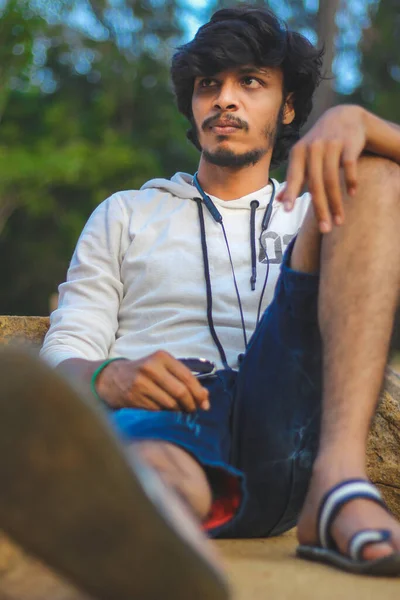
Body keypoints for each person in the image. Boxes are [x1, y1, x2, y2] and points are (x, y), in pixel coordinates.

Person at [1, 5, 400, 598]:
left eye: (251, 83)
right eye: (208, 85)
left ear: (288, 106)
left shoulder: (316, 212)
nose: (225, 100)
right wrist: (108, 376)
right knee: (156, 468)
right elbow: (71, 347)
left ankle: (339, 485)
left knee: (373, 173)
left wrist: (363, 124)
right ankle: (162, 555)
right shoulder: (126, 213)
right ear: (191, 104)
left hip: (294, 415)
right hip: (170, 407)